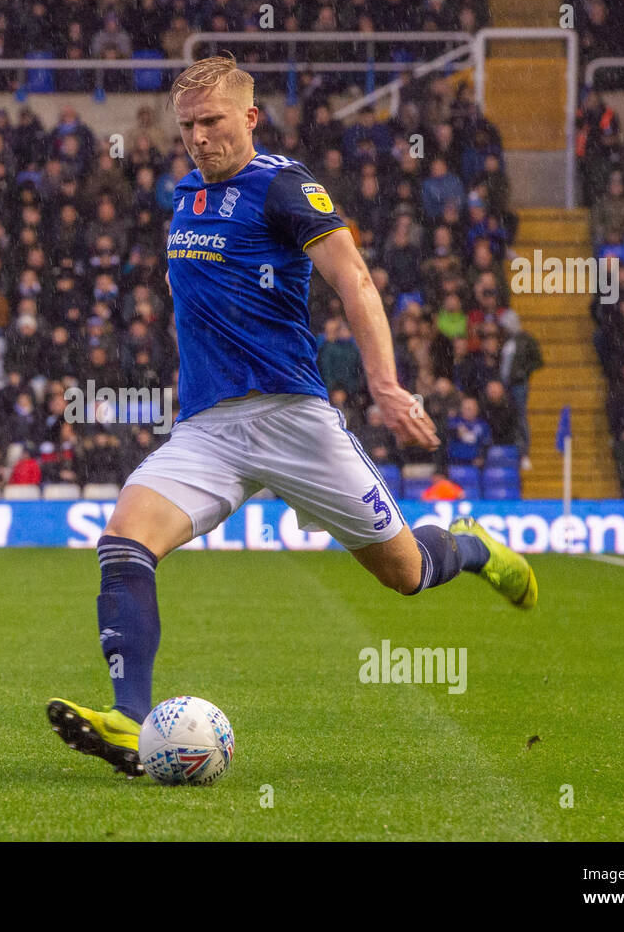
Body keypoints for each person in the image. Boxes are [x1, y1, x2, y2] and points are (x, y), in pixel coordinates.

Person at [47, 54, 538, 779]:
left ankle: (470, 546)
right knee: (124, 539)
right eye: (187, 126)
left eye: (212, 122)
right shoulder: (186, 194)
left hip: (294, 419)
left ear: (250, 118)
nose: (198, 137)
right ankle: (127, 716)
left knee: (405, 573)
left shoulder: (283, 187)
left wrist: (385, 381)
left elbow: (354, 277)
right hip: (210, 429)